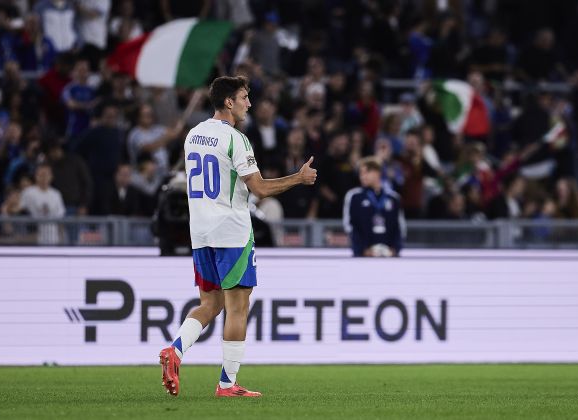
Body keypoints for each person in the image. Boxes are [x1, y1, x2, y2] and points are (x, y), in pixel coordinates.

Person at [159, 76, 317, 398]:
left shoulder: (194, 135)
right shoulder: (236, 140)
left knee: (209, 303)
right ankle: (227, 384)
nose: (249, 103)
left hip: (200, 231)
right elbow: (259, 188)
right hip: (231, 231)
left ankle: (175, 350)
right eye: (244, 97)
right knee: (238, 307)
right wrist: (299, 178)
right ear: (229, 101)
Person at [343, 157, 404, 257]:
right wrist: (362, 249)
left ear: (378, 172)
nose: (362, 176)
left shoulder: (393, 198)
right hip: (362, 255)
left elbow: (400, 227)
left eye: (366, 172)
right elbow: (349, 226)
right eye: (360, 173)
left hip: (389, 255)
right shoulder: (354, 196)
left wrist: (395, 249)